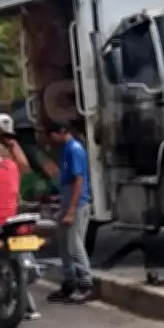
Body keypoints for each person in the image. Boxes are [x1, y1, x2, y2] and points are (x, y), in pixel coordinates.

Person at [45, 121, 93, 303]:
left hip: (78, 204)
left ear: (60, 132)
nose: (52, 140)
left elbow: (79, 180)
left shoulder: (74, 150)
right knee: (63, 244)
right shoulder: (66, 149)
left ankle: (86, 283)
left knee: (74, 244)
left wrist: (72, 209)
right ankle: (70, 282)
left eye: (53, 135)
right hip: (68, 201)